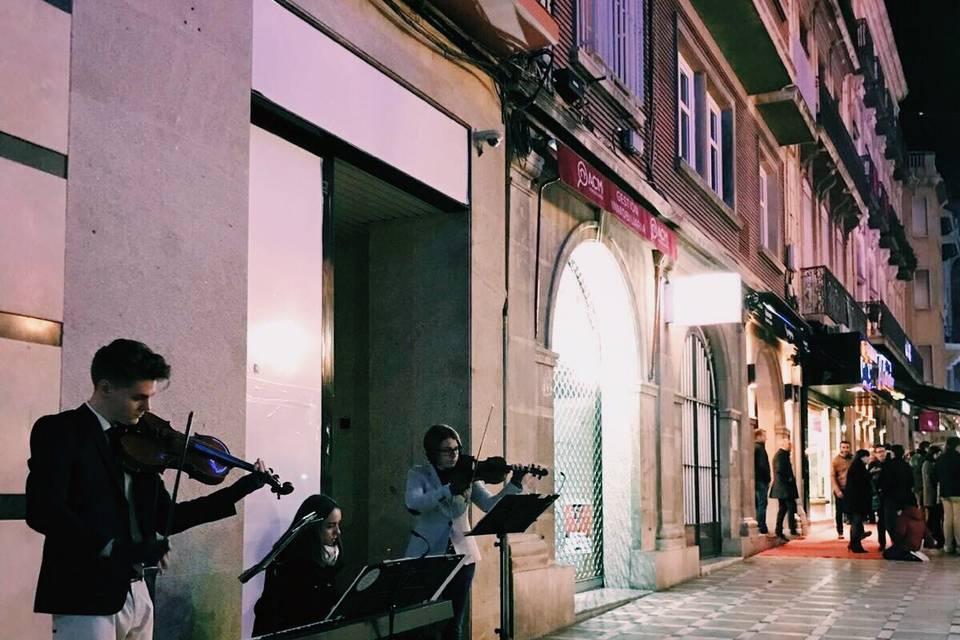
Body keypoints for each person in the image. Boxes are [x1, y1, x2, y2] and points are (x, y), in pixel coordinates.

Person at [25, 339, 271, 640]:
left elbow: (171, 518)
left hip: (139, 591)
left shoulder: (143, 446)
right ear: (105, 388)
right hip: (85, 594)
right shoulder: (60, 432)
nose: (147, 408)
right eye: (138, 398)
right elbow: (43, 511)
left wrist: (241, 488)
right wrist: (113, 547)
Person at [405, 424, 532, 640]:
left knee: (454, 624)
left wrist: (514, 484)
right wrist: (447, 490)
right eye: (447, 450)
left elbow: (490, 505)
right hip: (428, 554)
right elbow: (414, 503)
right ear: (433, 453)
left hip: (463, 557)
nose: (454, 454)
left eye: (457, 448)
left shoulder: (467, 474)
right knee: (425, 624)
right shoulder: (419, 474)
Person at [253, 494, 343, 636]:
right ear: (312, 527)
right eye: (330, 526)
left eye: (338, 524)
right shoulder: (289, 560)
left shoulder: (330, 557)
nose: (337, 532)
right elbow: (292, 612)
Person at [879, 444, 915, 548]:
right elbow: (911, 482)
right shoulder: (907, 465)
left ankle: (895, 541)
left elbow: (884, 481)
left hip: (890, 498)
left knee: (889, 521)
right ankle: (902, 541)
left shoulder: (888, 465)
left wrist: (882, 491)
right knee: (902, 520)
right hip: (905, 497)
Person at [843, 449, 873, 553]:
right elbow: (860, 483)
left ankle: (853, 544)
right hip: (856, 501)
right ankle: (855, 545)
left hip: (854, 501)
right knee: (856, 522)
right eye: (867, 456)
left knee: (856, 523)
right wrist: (870, 474)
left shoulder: (856, 467)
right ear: (862, 457)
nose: (868, 458)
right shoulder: (858, 468)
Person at [770, 437, 799, 541]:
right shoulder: (781, 455)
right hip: (784, 488)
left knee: (783, 509)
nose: (791, 447)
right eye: (789, 445)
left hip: (783, 488)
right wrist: (789, 478)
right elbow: (781, 469)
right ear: (785, 445)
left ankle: (779, 530)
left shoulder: (782, 455)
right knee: (790, 507)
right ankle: (792, 529)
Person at [936, 436, 960, 554]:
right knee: (957, 519)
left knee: (947, 519)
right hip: (957, 493)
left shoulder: (940, 458)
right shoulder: (958, 458)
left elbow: (935, 476)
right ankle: (959, 545)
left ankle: (948, 545)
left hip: (944, 493)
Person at [831, 441, 853, 539]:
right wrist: (837, 490)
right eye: (843, 447)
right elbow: (832, 476)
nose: (845, 449)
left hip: (851, 489)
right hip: (841, 488)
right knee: (839, 511)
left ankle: (856, 531)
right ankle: (840, 532)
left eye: (847, 447)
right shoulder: (835, 460)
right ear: (840, 448)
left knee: (853, 510)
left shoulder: (852, 459)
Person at [922, 445, 943, 548]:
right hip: (931, 496)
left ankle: (928, 540)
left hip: (930, 495)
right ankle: (932, 539)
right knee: (933, 518)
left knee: (931, 518)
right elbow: (930, 480)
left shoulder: (927, 463)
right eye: (938, 454)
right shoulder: (928, 464)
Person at [868, 444, 888, 549]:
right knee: (881, 520)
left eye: (883, 451)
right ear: (875, 454)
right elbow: (868, 479)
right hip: (879, 495)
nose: (881, 454)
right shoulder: (873, 465)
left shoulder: (890, 463)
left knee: (891, 519)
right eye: (879, 452)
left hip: (890, 495)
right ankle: (882, 542)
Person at [754, 429, 771, 535]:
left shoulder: (757, 448)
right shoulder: (759, 448)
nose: (766, 438)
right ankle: (762, 525)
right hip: (761, 480)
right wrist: (767, 478)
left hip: (758, 479)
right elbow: (762, 466)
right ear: (759, 436)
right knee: (762, 503)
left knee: (760, 503)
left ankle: (761, 524)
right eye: (764, 436)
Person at [911, 441, 930, 508]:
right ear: (925, 448)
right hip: (920, 484)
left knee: (920, 504)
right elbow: (918, 470)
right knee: (922, 504)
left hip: (916, 484)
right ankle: (921, 517)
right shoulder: (922, 457)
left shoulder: (914, 457)